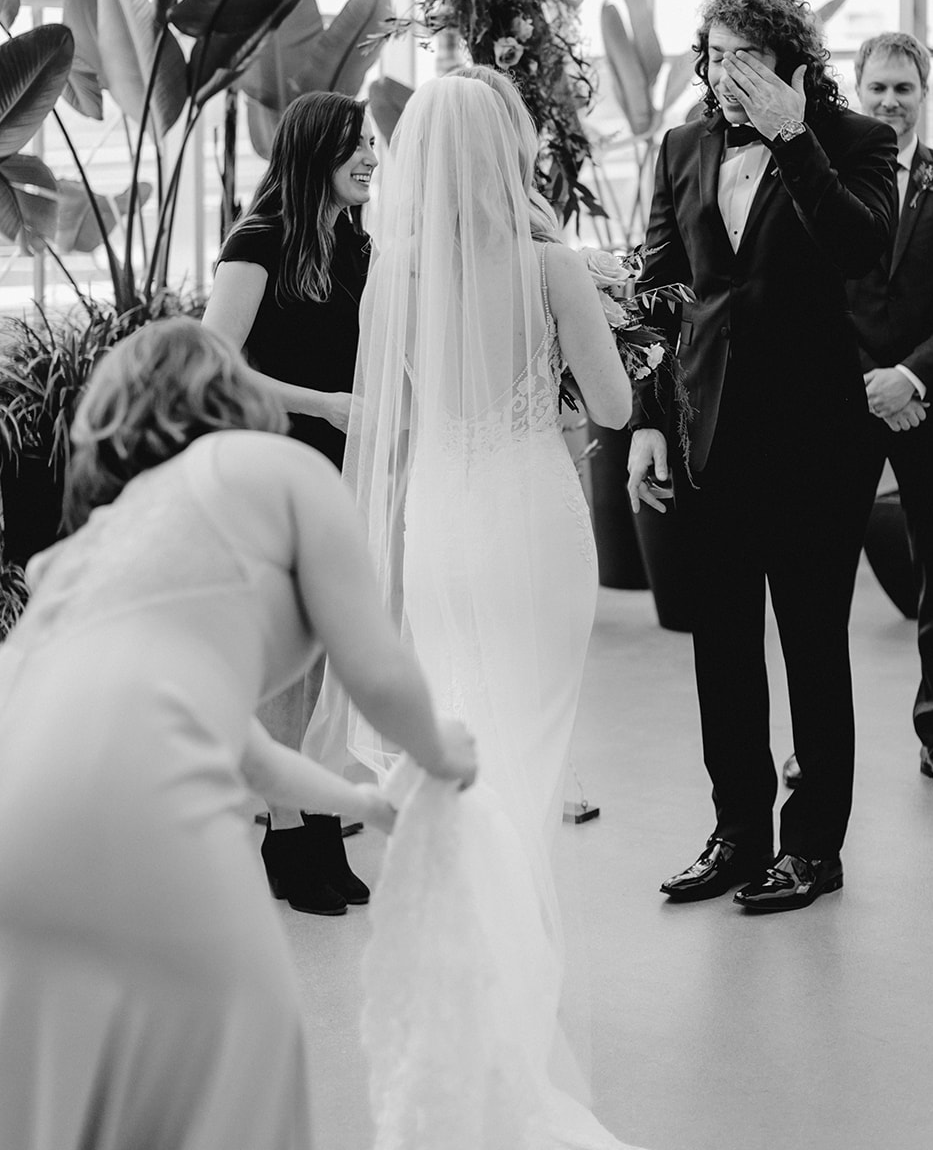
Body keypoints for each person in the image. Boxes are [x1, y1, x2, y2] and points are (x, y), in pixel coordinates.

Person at [0, 318, 476, 1150]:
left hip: (15, 839)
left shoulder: (91, 551)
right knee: (237, 1088)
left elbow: (238, 747)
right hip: (149, 815)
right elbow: (376, 667)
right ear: (237, 390)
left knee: (72, 1114)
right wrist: (441, 753)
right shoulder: (279, 466)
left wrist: (364, 803)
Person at [306, 70, 641, 1145]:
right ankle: (514, 981)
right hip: (531, 519)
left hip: (441, 521)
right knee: (527, 759)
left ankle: (463, 977)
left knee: (466, 739)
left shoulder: (393, 269)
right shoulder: (548, 262)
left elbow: (393, 418)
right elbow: (612, 402)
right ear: (508, 148)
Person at [628, 0, 896, 913]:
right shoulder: (681, 146)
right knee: (724, 647)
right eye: (710, 54)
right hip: (709, 434)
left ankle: (812, 847)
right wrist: (649, 424)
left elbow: (862, 251)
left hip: (816, 440)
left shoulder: (858, 142)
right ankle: (736, 835)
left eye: (740, 56)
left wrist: (792, 137)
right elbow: (658, 293)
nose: (718, 73)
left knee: (813, 646)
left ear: (786, 60)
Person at [782, 31, 933, 799]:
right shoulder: (827, 178)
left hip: (930, 405)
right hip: (843, 403)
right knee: (823, 580)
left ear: (922, 94)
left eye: (903, 89)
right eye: (877, 87)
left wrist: (908, 377)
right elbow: (812, 295)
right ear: (857, 89)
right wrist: (869, 380)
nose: (889, 102)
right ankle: (815, 744)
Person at [203, 91, 378, 914]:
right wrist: (325, 404)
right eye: (357, 145)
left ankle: (304, 817)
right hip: (274, 463)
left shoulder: (353, 243)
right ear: (315, 153)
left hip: (339, 469)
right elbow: (214, 361)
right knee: (287, 659)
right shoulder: (259, 239)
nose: (372, 157)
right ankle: (284, 830)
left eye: (372, 143)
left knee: (318, 655)